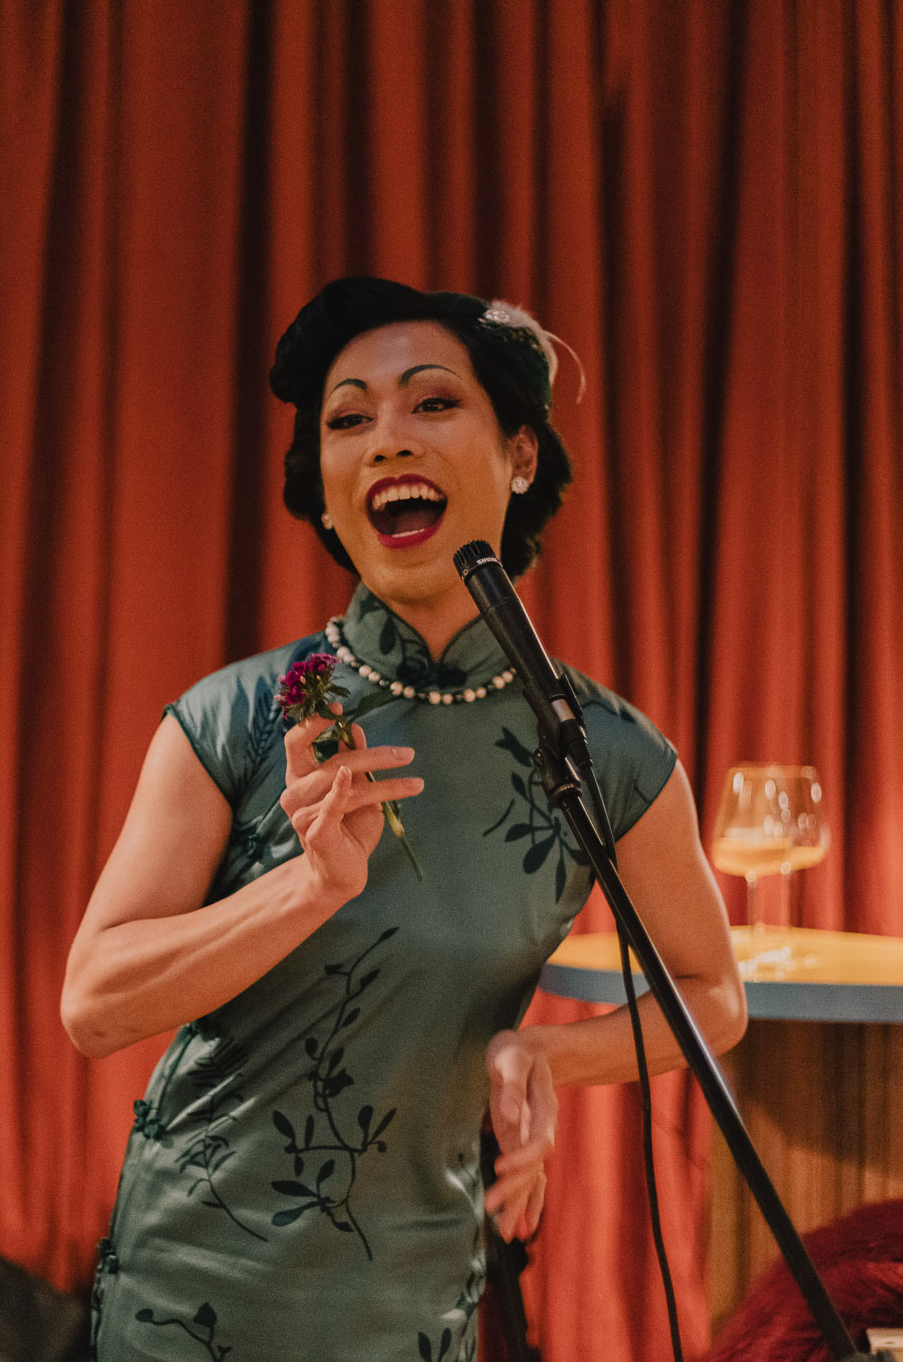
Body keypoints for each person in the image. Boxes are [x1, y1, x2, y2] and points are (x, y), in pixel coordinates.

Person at [62, 277, 746, 1361]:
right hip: (188, 1293)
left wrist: (539, 1057)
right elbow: (93, 1004)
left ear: (519, 456)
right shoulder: (237, 718)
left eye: (430, 404)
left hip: (412, 1301)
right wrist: (307, 885)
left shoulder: (603, 752)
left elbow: (712, 1000)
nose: (385, 441)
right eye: (347, 420)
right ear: (326, 493)